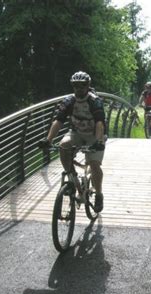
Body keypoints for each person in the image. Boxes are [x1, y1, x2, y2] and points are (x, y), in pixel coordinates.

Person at [39, 71, 106, 212]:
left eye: (82, 86)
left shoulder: (94, 101)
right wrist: (48, 140)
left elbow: (99, 122)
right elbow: (58, 120)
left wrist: (99, 141)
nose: (78, 89)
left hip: (94, 135)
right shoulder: (69, 101)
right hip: (76, 133)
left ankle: (99, 194)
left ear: (88, 86)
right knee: (63, 146)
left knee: (94, 165)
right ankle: (72, 179)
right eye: (75, 86)